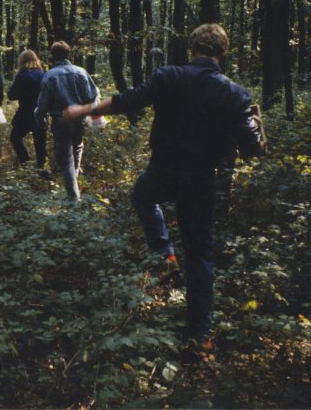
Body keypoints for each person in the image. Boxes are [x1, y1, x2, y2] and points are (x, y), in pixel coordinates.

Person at [63, 24, 266, 352]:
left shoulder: (169, 76)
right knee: (199, 253)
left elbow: (128, 101)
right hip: (201, 178)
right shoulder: (234, 93)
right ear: (222, 52)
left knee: (143, 197)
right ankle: (200, 335)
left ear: (192, 48)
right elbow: (252, 148)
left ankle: (163, 252)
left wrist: (84, 110)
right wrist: (257, 131)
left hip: (164, 168)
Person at [35, 41, 99, 201]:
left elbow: (42, 105)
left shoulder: (49, 76)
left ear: (53, 57)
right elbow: (91, 96)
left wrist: (40, 117)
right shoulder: (81, 72)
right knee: (77, 148)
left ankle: (74, 199)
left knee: (65, 159)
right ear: (69, 54)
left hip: (61, 121)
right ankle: (74, 184)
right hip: (79, 119)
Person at [7, 49, 47, 168]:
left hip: (24, 113)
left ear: (22, 61)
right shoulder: (43, 75)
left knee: (15, 138)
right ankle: (42, 170)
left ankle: (25, 163)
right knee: (40, 143)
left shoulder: (22, 76)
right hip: (41, 113)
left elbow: (12, 95)